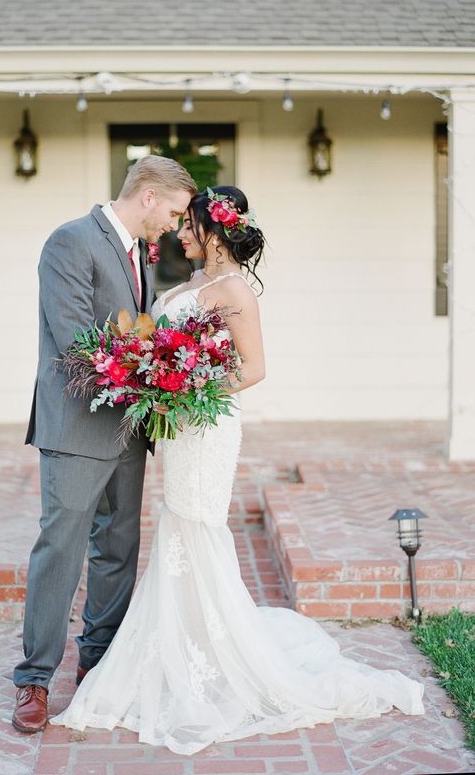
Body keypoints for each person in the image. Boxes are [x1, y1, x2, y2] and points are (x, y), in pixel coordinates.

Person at [50, 185, 425, 755]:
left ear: (212, 230)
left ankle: (212, 652)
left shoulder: (234, 291)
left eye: (188, 226)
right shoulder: (188, 286)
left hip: (207, 428)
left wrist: (188, 388)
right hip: (178, 429)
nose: (179, 234)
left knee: (197, 527)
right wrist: (158, 381)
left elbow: (254, 368)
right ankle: (184, 639)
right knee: (176, 527)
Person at [12, 155, 197, 734]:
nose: (171, 225)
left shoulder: (139, 250)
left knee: (118, 546)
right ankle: (35, 679)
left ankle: (97, 664)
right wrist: (154, 379)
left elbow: (135, 329)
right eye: (171, 212)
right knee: (61, 547)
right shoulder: (69, 242)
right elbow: (76, 342)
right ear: (148, 196)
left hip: (128, 430)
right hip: (76, 426)